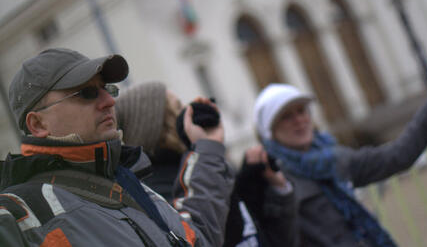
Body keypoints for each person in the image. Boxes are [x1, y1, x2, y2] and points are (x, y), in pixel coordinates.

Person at [0, 48, 234, 247]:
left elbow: (195, 238)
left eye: (107, 89)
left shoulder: (127, 182)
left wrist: (207, 147)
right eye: (87, 93)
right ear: (38, 124)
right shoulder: (19, 213)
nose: (110, 101)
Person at [252, 59, 427, 247]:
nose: (299, 120)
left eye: (302, 111)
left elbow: (395, 157)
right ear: (270, 133)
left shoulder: (333, 158)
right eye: (286, 117)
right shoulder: (272, 182)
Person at [116, 81, 296, 247]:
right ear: (160, 126)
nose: (190, 114)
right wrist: (205, 151)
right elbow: (216, 234)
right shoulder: (157, 191)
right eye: (179, 108)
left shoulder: (197, 166)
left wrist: (253, 182)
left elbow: (253, 233)